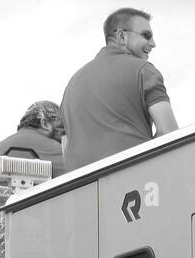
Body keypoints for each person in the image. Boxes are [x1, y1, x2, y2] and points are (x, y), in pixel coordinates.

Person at [60, 7, 178, 171]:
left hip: (81, 189)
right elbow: (169, 133)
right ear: (121, 36)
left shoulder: (71, 86)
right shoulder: (144, 70)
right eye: (146, 35)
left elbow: (66, 151)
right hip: (134, 181)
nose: (153, 43)